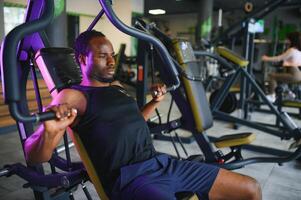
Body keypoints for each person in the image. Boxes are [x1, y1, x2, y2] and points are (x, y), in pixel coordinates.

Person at [24, 30, 261, 200]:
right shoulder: (73, 96)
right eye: (102, 56)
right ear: (82, 59)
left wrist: (154, 102)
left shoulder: (115, 86)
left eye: (112, 55)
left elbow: (134, 121)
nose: (111, 61)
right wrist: (49, 132)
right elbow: (34, 156)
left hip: (162, 163)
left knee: (250, 188)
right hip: (133, 180)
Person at [262, 31, 301, 102]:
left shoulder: (291, 50)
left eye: (287, 39)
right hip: (298, 74)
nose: (286, 41)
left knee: (271, 76)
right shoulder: (298, 51)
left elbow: (279, 58)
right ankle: (289, 93)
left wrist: (266, 58)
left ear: (291, 40)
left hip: (294, 74)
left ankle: (272, 95)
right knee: (281, 79)